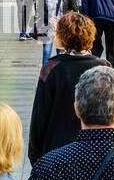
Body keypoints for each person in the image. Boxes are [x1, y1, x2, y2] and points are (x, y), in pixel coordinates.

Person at [28, 12, 107, 166]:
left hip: (56, 152)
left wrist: (34, 154)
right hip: (95, 150)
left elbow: (40, 115)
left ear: (64, 37)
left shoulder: (51, 69)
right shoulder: (103, 67)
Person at [38, 0, 79, 65]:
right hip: (48, 27)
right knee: (46, 52)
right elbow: (39, 8)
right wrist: (47, 18)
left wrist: (64, 19)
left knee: (61, 54)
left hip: (62, 27)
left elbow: (74, 10)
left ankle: (60, 77)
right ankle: (45, 77)